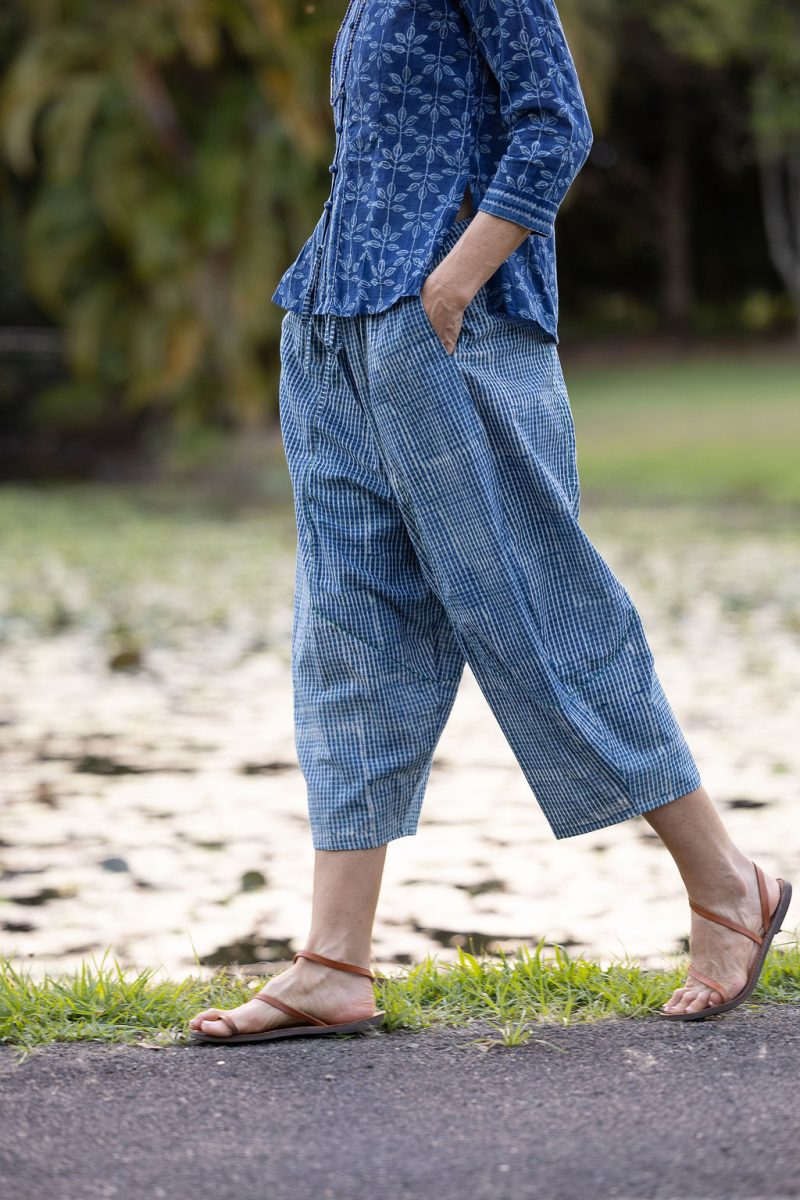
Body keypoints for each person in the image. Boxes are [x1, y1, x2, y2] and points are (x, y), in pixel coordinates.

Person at [189, 0, 790, 1042]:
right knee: (347, 639)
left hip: (450, 333)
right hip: (333, 327)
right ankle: (334, 962)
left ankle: (727, 882)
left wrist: (455, 280)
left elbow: (554, 120)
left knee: (535, 620)